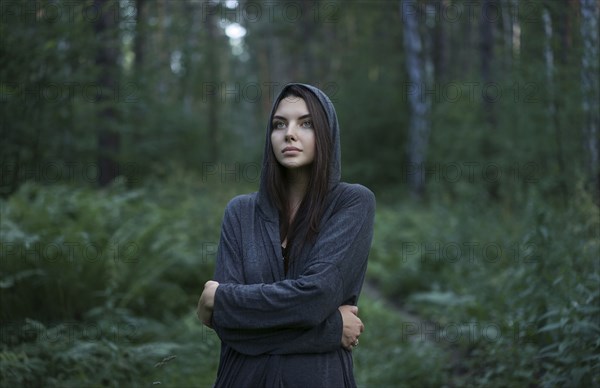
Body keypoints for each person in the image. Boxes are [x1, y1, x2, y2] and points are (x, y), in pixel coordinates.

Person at [197, 83, 375, 387]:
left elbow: (316, 296)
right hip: (241, 379)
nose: (289, 133)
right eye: (279, 124)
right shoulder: (240, 212)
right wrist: (333, 330)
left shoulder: (352, 203)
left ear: (326, 133)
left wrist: (221, 298)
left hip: (318, 378)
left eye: (306, 123)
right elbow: (226, 324)